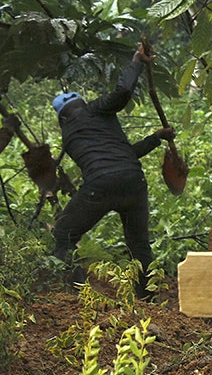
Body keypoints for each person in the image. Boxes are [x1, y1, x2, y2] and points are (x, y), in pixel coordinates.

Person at [52, 42, 174, 296]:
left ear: (62, 119)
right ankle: (148, 296)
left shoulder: (69, 136)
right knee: (138, 244)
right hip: (133, 182)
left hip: (101, 186)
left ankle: (77, 292)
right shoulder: (97, 110)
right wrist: (137, 61)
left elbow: (115, 160)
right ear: (84, 103)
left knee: (64, 233)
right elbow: (124, 91)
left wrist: (156, 138)